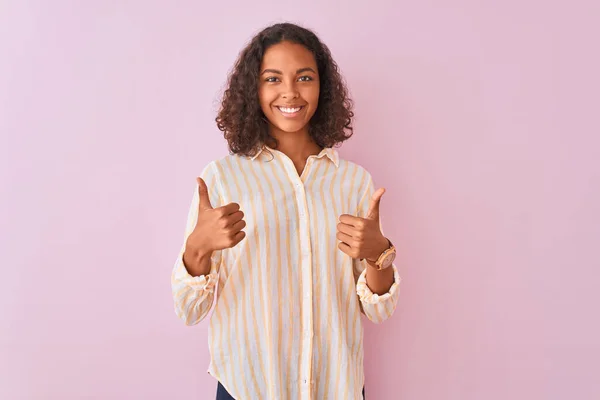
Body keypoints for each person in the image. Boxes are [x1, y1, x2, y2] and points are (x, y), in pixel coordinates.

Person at [171, 22, 401, 400]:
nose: (290, 92)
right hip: (248, 386)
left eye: (304, 77)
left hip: (335, 387)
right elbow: (188, 309)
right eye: (273, 79)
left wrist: (380, 255)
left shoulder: (353, 183)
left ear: (321, 86)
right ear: (254, 89)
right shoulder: (223, 179)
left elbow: (378, 310)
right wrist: (198, 249)